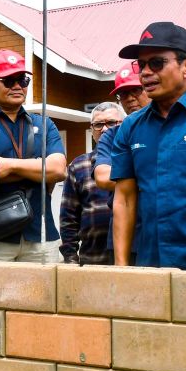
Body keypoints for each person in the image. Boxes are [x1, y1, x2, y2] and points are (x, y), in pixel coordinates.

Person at [111, 21, 186, 269]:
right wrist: (121, 269)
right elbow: (125, 200)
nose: (145, 72)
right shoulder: (130, 127)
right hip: (150, 268)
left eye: (157, 63)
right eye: (141, 65)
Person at [0, 49, 66, 263]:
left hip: (40, 235)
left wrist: (7, 166)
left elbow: (57, 170)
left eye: (23, 79)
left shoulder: (44, 123)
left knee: (43, 297)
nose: (18, 85)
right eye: (8, 80)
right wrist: (38, 168)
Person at [59, 102, 124, 265]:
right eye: (98, 125)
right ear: (92, 129)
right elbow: (68, 218)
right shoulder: (78, 166)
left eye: (111, 123)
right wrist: (71, 258)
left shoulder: (135, 159)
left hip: (134, 259)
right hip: (93, 259)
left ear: (124, 125)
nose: (104, 129)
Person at [93, 63, 150, 190]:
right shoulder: (111, 135)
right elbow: (103, 177)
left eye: (135, 90)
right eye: (123, 94)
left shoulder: (169, 125)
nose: (130, 98)